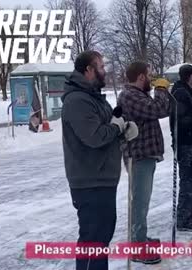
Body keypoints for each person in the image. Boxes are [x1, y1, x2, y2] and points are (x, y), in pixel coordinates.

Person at [61, 50, 138, 270]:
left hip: (102, 177)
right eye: (101, 67)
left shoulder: (92, 96)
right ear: (89, 70)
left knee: (101, 238)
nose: (105, 71)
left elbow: (108, 126)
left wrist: (122, 127)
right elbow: (94, 136)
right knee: (93, 240)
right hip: (89, 180)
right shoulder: (78, 100)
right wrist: (116, 127)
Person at [117, 61, 170, 265]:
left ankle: (140, 238)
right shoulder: (130, 95)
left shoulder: (138, 94)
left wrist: (161, 91)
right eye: (149, 75)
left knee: (143, 201)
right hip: (137, 157)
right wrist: (162, 89)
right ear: (141, 77)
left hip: (145, 155)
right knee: (139, 202)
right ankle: (136, 246)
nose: (151, 79)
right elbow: (157, 110)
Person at [169, 64, 192, 232]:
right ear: (190, 76)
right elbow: (182, 121)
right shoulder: (180, 94)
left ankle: (190, 211)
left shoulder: (187, 92)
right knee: (187, 180)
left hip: (191, 141)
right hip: (184, 143)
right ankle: (183, 218)